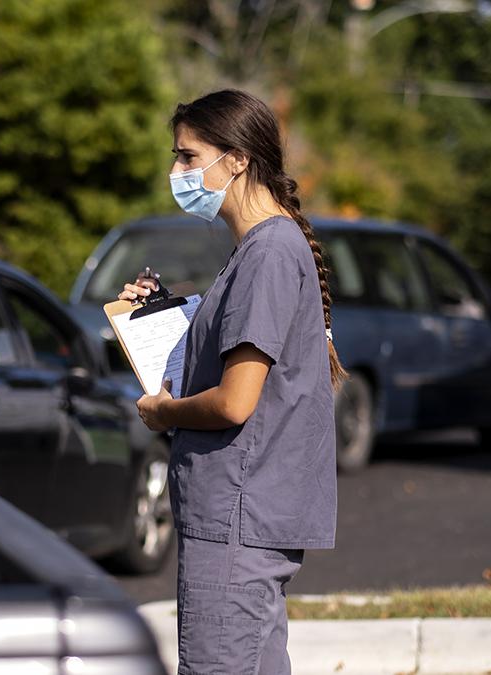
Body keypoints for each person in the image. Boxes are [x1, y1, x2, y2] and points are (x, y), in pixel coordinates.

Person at [118, 89, 344, 675]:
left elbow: (237, 401)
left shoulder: (267, 252)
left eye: (189, 158)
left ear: (238, 159)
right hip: (246, 522)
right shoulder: (265, 248)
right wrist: (158, 320)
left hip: (238, 522)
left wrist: (164, 414)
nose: (177, 172)